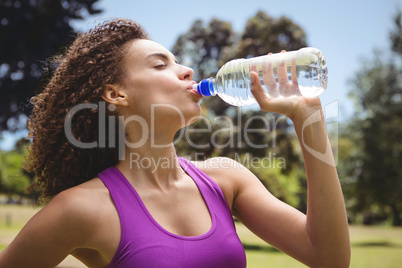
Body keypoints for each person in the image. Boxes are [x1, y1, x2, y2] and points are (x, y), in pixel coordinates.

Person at [0, 19, 350, 267]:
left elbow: (329, 258)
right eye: (160, 65)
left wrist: (308, 117)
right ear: (115, 93)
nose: (186, 71)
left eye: (179, 62)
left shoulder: (226, 179)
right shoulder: (80, 208)